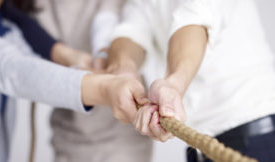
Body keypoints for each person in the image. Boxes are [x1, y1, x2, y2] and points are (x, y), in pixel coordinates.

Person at [0, 0, 147, 161]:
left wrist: (80, 61)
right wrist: (103, 89)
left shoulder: (5, 24)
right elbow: (13, 70)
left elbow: (31, 61)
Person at [108, 0, 275, 161]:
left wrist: (173, 84)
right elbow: (130, 32)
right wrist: (124, 70)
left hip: (256, 134)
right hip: (201, 147)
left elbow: (195, 17)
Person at [34, 0, 153, 162]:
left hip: (120, 136)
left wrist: (103, 55)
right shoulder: (29, 8)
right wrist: (68, 57)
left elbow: (112, 17)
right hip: (67, 132)